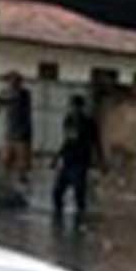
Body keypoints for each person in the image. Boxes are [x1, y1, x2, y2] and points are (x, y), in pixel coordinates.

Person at [52, 96, 102, 225]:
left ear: (80, 108)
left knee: (79, 192)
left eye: (75, 107)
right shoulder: (68, 120)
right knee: (57, 191)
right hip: (68, 160)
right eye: (71, 106)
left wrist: (101, 161)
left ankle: (80, 220)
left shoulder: (89, 123)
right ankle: (58, 220)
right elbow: (67, 141)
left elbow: (96, 142)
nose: (73, 109)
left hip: (81, 161)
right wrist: (57, 157)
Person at [0, 72, 34, 183]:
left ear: (20, 82)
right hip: (10, 132)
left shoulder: (24, 94)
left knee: (22, 162)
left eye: (16, 81)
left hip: (22, 133)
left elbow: (11, 100)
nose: (12, 83)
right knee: (5, 160)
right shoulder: (4, 92)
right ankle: (5, 182)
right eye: (10, 81)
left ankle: (22, 179)